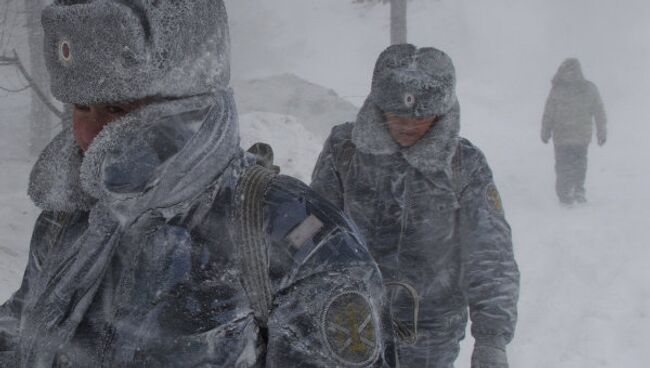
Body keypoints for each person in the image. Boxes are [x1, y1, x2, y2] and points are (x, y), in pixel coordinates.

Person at [0, 1, 397, 367]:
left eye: (117, 108)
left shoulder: (296, 242)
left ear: (190, 105)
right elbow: (21, 330)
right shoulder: (70, 218)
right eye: (79, 107)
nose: (88, 135)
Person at [311, 44, 520, 368]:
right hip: (352, 323)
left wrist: (492, 338)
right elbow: (317, 235)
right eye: (397, 114)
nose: (408, 124)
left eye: (421, 116)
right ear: (378, 107)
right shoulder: (344, 151)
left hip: (431, 334)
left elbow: (489, 254)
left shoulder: (465, 165)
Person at [541, 58, 607, 205]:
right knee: (571, 165)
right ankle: (569, 192)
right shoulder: (585, 88)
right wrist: (545, 130)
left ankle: (573, 192)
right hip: (570, 137)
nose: (571, 74)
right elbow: (549, 112)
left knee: (571, 165)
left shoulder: (580, 89)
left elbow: (598, 111)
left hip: (573, 137)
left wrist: (602, 131)